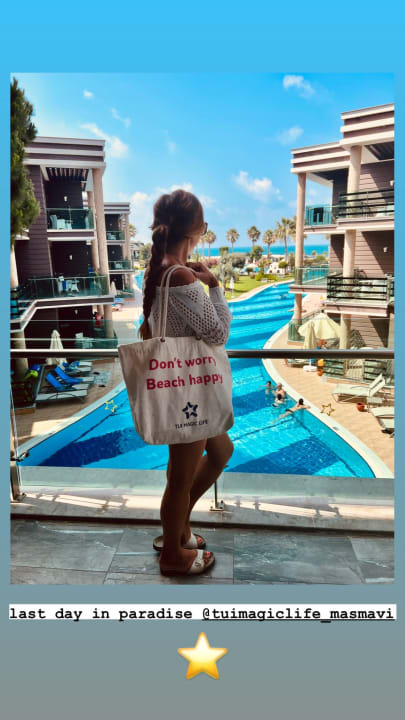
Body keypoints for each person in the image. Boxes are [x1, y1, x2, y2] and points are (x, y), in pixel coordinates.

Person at [138, 189, 234, 577]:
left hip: (182, 385)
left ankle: (177, 529)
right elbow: (219, 333)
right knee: (180, 478)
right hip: (188, 390)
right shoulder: (179, 275)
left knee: (221, 451)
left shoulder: (160, 269)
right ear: (199, 229)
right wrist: (215, 286)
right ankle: (173, 554)